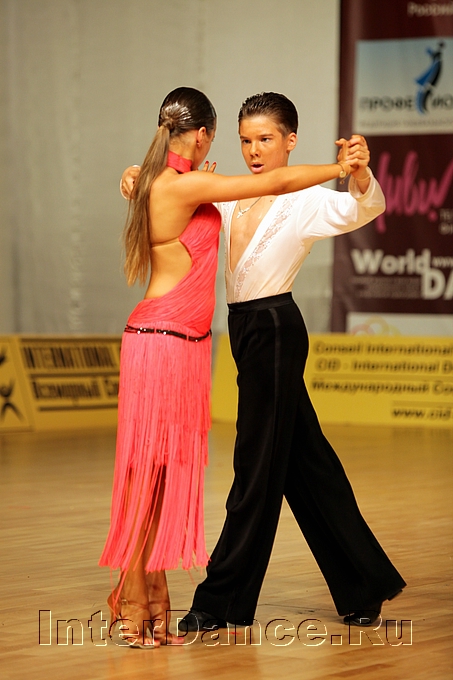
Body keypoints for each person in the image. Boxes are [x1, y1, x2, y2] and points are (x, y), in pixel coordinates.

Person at [123, 92, 406, 633]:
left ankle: (221, 600)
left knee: (254, 467)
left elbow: (364, 207)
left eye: (266, 139)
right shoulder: (231, 194)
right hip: (245, 331)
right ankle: (364, 582)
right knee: (307, 463)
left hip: (276, 328)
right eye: (246, 140)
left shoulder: (307, 198)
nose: (254, 151)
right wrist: (135, 175)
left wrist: (359, 173)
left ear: (290, 141)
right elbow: (174, 196)